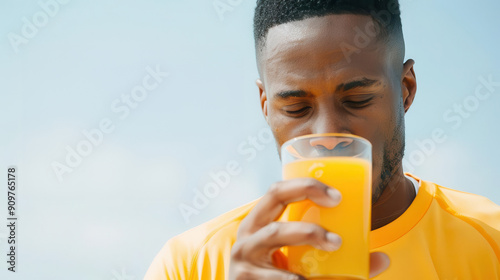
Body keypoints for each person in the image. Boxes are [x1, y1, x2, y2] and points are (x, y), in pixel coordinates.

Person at [144, 1, 500, 279]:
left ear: (405, 90)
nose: (328, 135)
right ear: (266, 108)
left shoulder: (491, 240)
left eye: (357, 100)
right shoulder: (190, 264)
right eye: (297, 108)